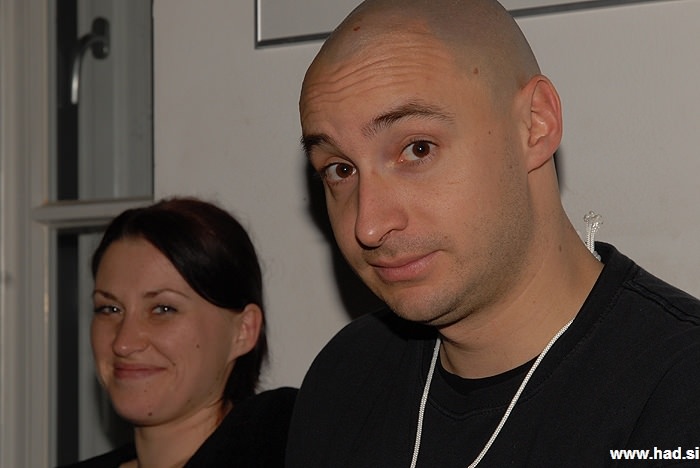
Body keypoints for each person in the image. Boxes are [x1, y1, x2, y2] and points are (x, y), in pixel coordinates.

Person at [286, 0, 700, 466]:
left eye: (417, 149)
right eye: (340, 169)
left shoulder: (679, 390)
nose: (369, 225)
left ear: (535, 125)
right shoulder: (347, 376)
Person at [61, 197, 296, 468]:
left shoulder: (297, 447)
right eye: (110, 309)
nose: (123, 343)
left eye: (163, 309)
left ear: (243, 331)